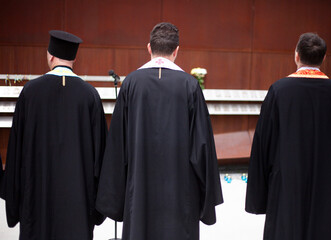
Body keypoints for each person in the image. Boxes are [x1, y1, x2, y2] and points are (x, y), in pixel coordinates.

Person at [96, 22, 223, 240]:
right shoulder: (190, 86)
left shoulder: (131, 84)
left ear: (149, 48)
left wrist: (114, 198)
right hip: (180, 196)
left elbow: (117, 146)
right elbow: (202, 146)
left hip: (140, 195)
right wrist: (207, 199)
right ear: (176, 51)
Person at [245, 32, 331, 240]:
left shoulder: (279, 90)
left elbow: (264, 141)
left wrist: (268, 177)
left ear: (296, 55)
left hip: (286, 177)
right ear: (324, 58)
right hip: (323, 178)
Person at [3, 30, 107, 239]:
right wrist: (97, 209)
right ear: (74, 58)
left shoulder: (30, 93)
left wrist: (15, 203)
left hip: (37, 203)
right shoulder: (89, 95)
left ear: (50, 56)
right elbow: (101, 157)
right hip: (78, 205)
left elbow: (16, 151)